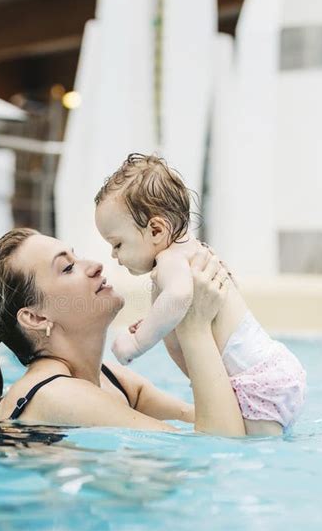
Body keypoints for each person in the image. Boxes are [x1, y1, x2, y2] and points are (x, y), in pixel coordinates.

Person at [94, 153, 306, 435]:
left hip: (254, 382)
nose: (113, 255)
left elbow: (179, 298)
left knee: (250, 453)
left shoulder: (170, 261)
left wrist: (136, 342)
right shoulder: (193, 252)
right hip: (268, 371)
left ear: (156, 229)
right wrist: (152, 322)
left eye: (117, 244)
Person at [0, 228, 247, 437]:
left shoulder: (111, 379)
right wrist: (194, 327)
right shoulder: (56, 395)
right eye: (68, 267)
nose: (95, 265)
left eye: (77, 256)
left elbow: (230, 423)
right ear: (36, 317)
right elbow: (218, 446)